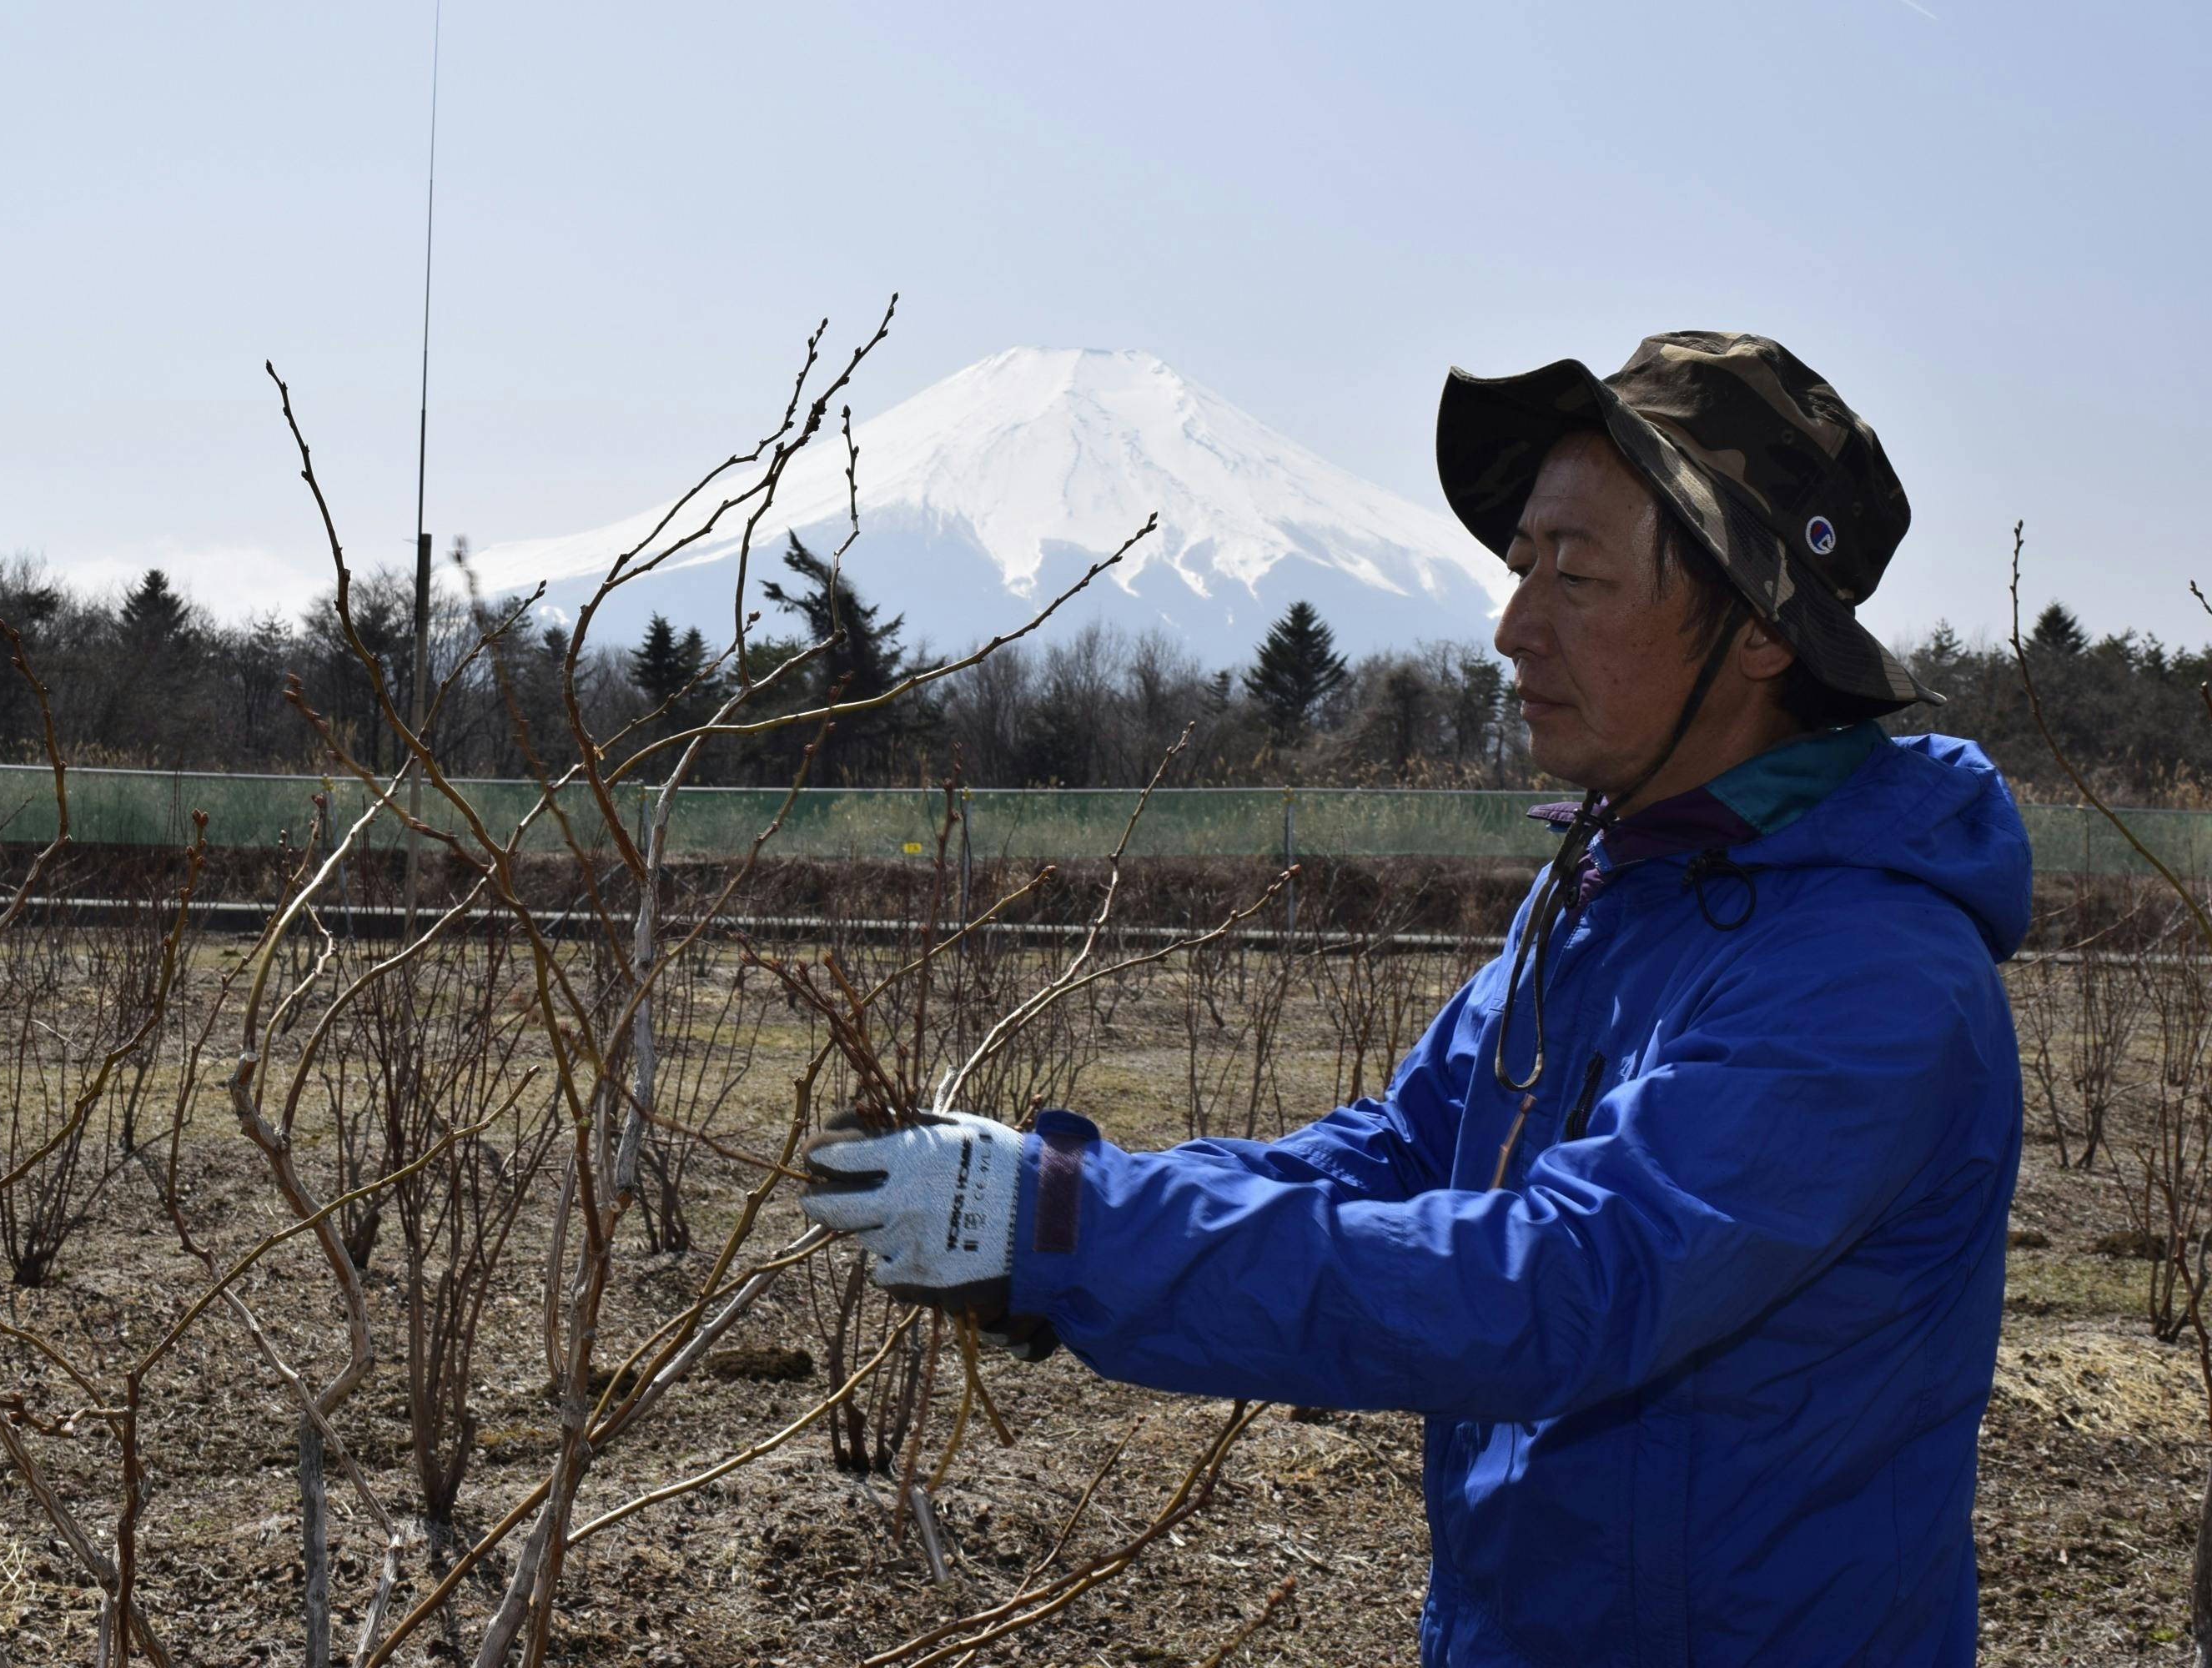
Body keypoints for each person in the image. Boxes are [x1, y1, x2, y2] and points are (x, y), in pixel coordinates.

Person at [800, 333, 2029, 1666]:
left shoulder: (1868, 974)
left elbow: (1563, 1283)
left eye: (1577, 576)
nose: (1515, 630)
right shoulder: (1620, 891)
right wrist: (1061, 1198)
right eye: (1520, 570)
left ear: (1758, 633)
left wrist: (1070, 1230)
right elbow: (1400, 1154)